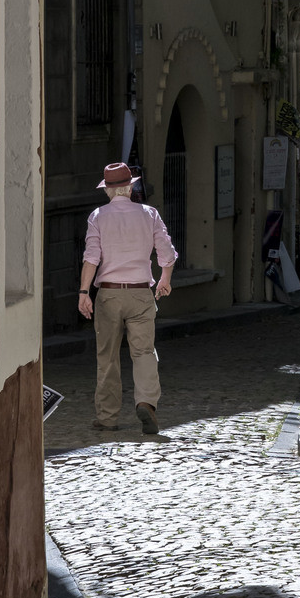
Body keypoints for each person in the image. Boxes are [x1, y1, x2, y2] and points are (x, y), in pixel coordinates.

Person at [79, 161, 176, 438]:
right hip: (140, 293)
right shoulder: (149, 214)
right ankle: (146, 401)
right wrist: (165, 278)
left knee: (107, 356)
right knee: (144, 352)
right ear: (130, 186)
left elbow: (91, 258)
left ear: (108, 190)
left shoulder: (98, 216)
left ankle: (107, 418)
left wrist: (84, 292)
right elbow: (166, 252)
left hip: (108, 294)